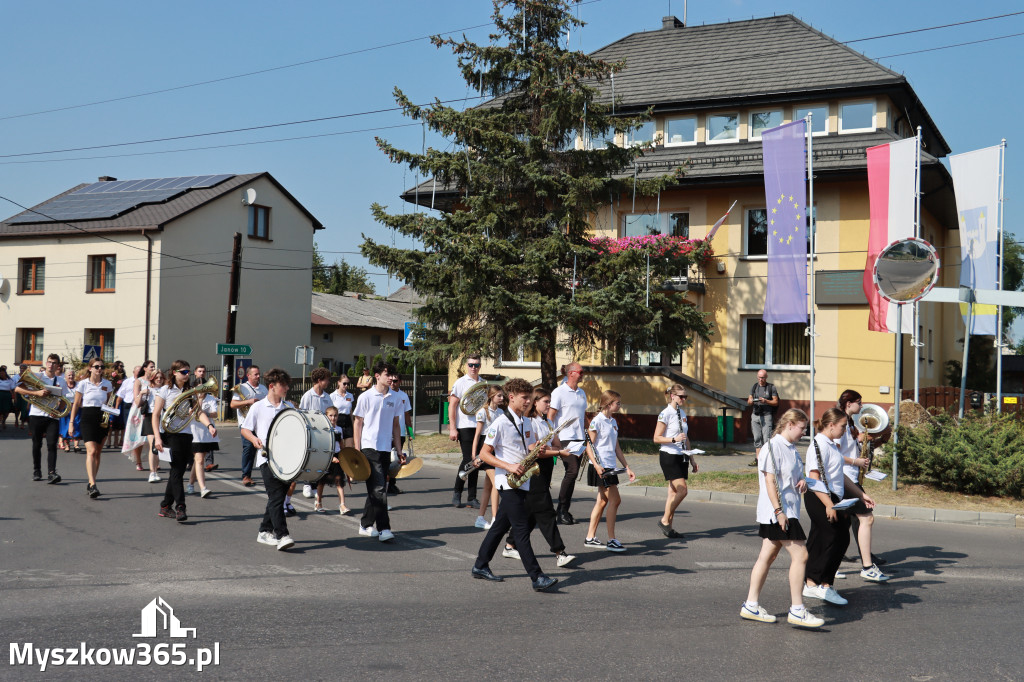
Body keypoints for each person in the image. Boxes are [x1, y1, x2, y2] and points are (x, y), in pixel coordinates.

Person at [470, 378, 558, 591]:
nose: (529, 401)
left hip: (523, 480)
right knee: (520, 529)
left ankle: (480, 565)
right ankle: (537, 577)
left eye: (530, 397)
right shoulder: (500, 422)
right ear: (511, 398)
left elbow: (527, 447)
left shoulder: (526, 421)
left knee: (500, 526)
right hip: (506, 481)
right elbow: (484, 454)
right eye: (524, 398)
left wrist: (538, 448)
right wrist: (508, 466)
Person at [740, 408, 824, 629]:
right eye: (802, 428)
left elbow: (791, 477)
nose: (804, 433)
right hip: (779, 513)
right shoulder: (772, 447)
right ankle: (797, 609)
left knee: (766, 557)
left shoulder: (791, 448)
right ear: (790, 424)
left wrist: (803, 481)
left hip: (788, 510)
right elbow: (769, 481)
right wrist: (779, 512)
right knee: (802, 555)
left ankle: (750, 605)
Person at [802, 407, 875, 607]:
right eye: (842, 426)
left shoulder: (832, 445)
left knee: (824, 538)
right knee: (835, 538)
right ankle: (822, 584)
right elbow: (813, 478)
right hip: (820, 497)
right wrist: (829, 505)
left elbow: (839, 475)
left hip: (833, 497)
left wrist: (861, 494)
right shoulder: (818, 445)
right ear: (831, 425)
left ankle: (812, 582)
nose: (845, 430)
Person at [502, 387, 577, 568]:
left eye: (550, 401)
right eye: (545, 401)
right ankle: (559, 552)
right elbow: (534, 449)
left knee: (531, 513)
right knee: (546, 512)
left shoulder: (547, 423)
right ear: (535, 402)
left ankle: (510, 545)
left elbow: (556, 443)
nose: (549, 405)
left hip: (546, 469)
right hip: (535, 469)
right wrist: (558, 451)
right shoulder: (530, 422)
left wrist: (567, 449)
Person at [153, 361, 216, 522]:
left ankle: (165, 506)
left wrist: (209, 425)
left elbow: (198, 411)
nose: (187, 374)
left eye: (188, 372)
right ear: (174, 372)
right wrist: (157, 438)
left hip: (186, 434)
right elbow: (156, 415)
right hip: (170, 434)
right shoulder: (165, 390)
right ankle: (181, 506)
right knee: (176, 470)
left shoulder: (190, 391)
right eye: (184, 372)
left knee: (178, 471)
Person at [837, 390, 891, 582]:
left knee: (844, 523)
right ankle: (867, 566)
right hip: (844, 479)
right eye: (859, 403)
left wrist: (879, 440)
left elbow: (857, 449)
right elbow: (833, 455)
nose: (862, 407)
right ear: (848, 403)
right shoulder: (840, 424)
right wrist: (855, 462)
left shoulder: (850, 423)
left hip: (852, 479)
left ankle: (835, 563)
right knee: (866, 518)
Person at [241, 368, 295, 551]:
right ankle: (282, 535)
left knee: (276, 498)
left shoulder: (289, 408)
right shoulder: (258, 407)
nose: (287, 388)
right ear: (272, 386)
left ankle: (264, 531)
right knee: (276, 497)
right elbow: (245, 429)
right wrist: (254, 439)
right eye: (283, 385)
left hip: (287, 461)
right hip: (266, 459)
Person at [352, 360, 403, 542]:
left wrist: (399, 449)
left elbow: (396, 426)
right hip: (368, 447)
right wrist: (357, 450)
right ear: (377, 376)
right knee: (380, 487)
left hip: (384, 448)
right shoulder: (365, 397)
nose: (391, 378)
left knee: (377, 487)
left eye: (392, 375)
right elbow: (357, 423)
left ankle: (365, 524)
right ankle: (384, 528)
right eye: (387, 374)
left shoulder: (396, 398)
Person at [583, 390, 635, 552]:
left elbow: (616, 446)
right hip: (602, 467)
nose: (619, 405)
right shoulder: (596, 422)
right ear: (608, 404)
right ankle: (611, 539)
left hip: (611, 466)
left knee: (603, 501)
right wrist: (597, 465)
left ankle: (590, 537)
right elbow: (588, 447)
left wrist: (627, 467)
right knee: (615, 500)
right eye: (617, 403)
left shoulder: (612, 421)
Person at [653, 384, 698, 538]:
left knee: (673, 492)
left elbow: (686, 438)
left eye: (685, 396)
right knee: (682, 490)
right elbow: (656, 438)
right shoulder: (665, 414)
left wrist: (692, 458)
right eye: (681, 396)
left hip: (681, 455)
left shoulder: (682, 412)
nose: (684, 399)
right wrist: (674, 439)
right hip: (669, 455)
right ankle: (664, 519)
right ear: (672, 396)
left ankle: (669, 528)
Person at [14, 353, 66, 483]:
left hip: (52, 416)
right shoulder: (37, 376)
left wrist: (59, 410)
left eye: (54, 363)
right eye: (49, 362)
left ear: (57, 365)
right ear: (46, 363)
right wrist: (36, 393)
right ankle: (37, 471)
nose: (51, 365)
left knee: (52, 444)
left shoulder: (61, 381)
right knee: (37, 444)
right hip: (36, 415)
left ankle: (52, 473)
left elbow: (64, 400)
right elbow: (18, 389)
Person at [548, 362, 589, 525]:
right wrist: (554, 437)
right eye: (581, 371)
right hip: (564, 437)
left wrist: (590, 433)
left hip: (579, 438)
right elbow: (550, 416)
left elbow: (583, 416)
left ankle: (564, 510)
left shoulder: (581, 392)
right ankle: (561, 510)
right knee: (572, 471)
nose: (582, 374)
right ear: (571, 373)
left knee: (573, 474)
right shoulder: (559, 392)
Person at [68, 359, 114, 498]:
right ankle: (93, 484)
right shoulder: (83, 384)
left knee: (98, 452)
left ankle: (91, 481)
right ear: (90, 368)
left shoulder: (107, 384)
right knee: (91, 451)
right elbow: (76, 404)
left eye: (101, 367)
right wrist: (71, 422)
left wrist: (110, 414)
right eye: (96, 367)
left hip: (102, 417)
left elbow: (109, 402)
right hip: (87, 417)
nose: (99, 369)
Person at [448, 355, 483, 509]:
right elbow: (452, 405)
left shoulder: (482, 383)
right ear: (467, 366)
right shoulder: (460, 383)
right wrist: (453, 427)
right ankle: (457, 492)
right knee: (468, 459)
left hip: (481, 426)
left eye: (476, 365)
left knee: (477, 462)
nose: (473, 368)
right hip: (465, 426)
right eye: (471, 365)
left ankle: (472, 497)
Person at [469, 386, 506, 529]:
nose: (502, 398)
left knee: (488, 486)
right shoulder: (482, 412)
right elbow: (477, 435)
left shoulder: (502, 412)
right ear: (491, 397)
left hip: (496, 449)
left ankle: (480, 518)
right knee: (497, 483)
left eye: (502, 396)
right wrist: (474, 454)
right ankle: (496, 518)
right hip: (485, 450)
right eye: (499, 396)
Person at [297, 367, 334, 500]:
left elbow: (330, 413)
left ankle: (315, 485)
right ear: (319, 380)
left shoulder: (327, 397)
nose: (328, 382)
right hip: (311, 433)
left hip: (323, 434)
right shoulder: (308, 395)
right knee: (309, 459)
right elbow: (302, 413)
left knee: (320, 460)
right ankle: (307, 484)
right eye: (326, 380)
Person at [231, 365, 267, 487]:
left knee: (265, 448)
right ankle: (246, 475)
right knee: (249, 449)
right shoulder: (242, 388)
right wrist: (249, 402)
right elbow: (233, 404)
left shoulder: (263, 388)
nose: (258, 376)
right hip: (246, 423)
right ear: (249, 375)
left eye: (258, 374)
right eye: (255, 374)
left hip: (261, 423)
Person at [315, 406, 350, 515]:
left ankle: (342, 505)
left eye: (335, 415)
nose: (333, 418)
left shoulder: (339, 429)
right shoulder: (323, 429)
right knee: (322, 481)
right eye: (330, 415)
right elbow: (322, 445)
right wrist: (331, 457)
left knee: (339, 480)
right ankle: (318, 502)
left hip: (337, 456)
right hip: (326, 456)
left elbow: (341, 444)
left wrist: (344, 455)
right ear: (326, 416)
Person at [187, 385, 219, 499]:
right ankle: (203, 488)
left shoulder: (210, 398)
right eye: (199, 388)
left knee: (198, 461)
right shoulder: (190, 398)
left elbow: (215, 413)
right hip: (195, 432)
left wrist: (206, 413)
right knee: (199, 459)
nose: (202, 390)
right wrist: (199, 399)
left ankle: (190, 484)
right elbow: (191, 413)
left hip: (207, 432)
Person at [747, 369, 780, 466]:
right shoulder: (754, 387)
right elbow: (749, 400)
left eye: (763, 377)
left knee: (767, 439)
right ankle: (758, 460)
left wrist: (766, 401)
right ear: (757, 377)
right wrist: (752, 400)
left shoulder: (771, 387)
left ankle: (768, 460)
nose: (761, 379)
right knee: (757, 438)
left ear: (766, 377)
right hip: (755, 415)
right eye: (760, 377)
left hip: (766, 416)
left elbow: (776, 402)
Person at [388, 375, 413, 495]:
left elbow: (407, 415)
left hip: (400, 432)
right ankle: (383, 484)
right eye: (391, 381)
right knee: (386, 459)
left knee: (397, 460)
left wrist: (411, 432)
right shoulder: (386, 394)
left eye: (395, 381)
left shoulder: (404, 396)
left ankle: (392, 485)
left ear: (400, 382)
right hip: (387, 433)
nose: (392, 383)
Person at [58, 369, 81, 454]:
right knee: (65, 426)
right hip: (65, 408)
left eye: (72, 375)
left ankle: (76, 445)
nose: (71, 377)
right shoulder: (62, 385)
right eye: (69, 375)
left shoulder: (78, 385)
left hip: (76, 408)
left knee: (76, 424)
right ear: (65, 377)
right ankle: (67, 445)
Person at [330, 375, 355, 447]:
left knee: (349, 447)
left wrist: (353, 424)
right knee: (338, 446)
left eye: (348, 384)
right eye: (344, 383)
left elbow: (350, 411)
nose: (346, 385)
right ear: (339, 383)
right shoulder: (333, 396)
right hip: (337, 420)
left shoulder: (350, 395)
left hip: (347, 421)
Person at [0, 365, 17, 431]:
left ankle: (4, 421)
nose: (1, 374)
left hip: (7, 396)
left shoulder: (10, 380)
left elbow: (13, 389)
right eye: (0, 373)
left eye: (2, 372)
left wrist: (15, 398)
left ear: (5, 373)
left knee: (7, 410)